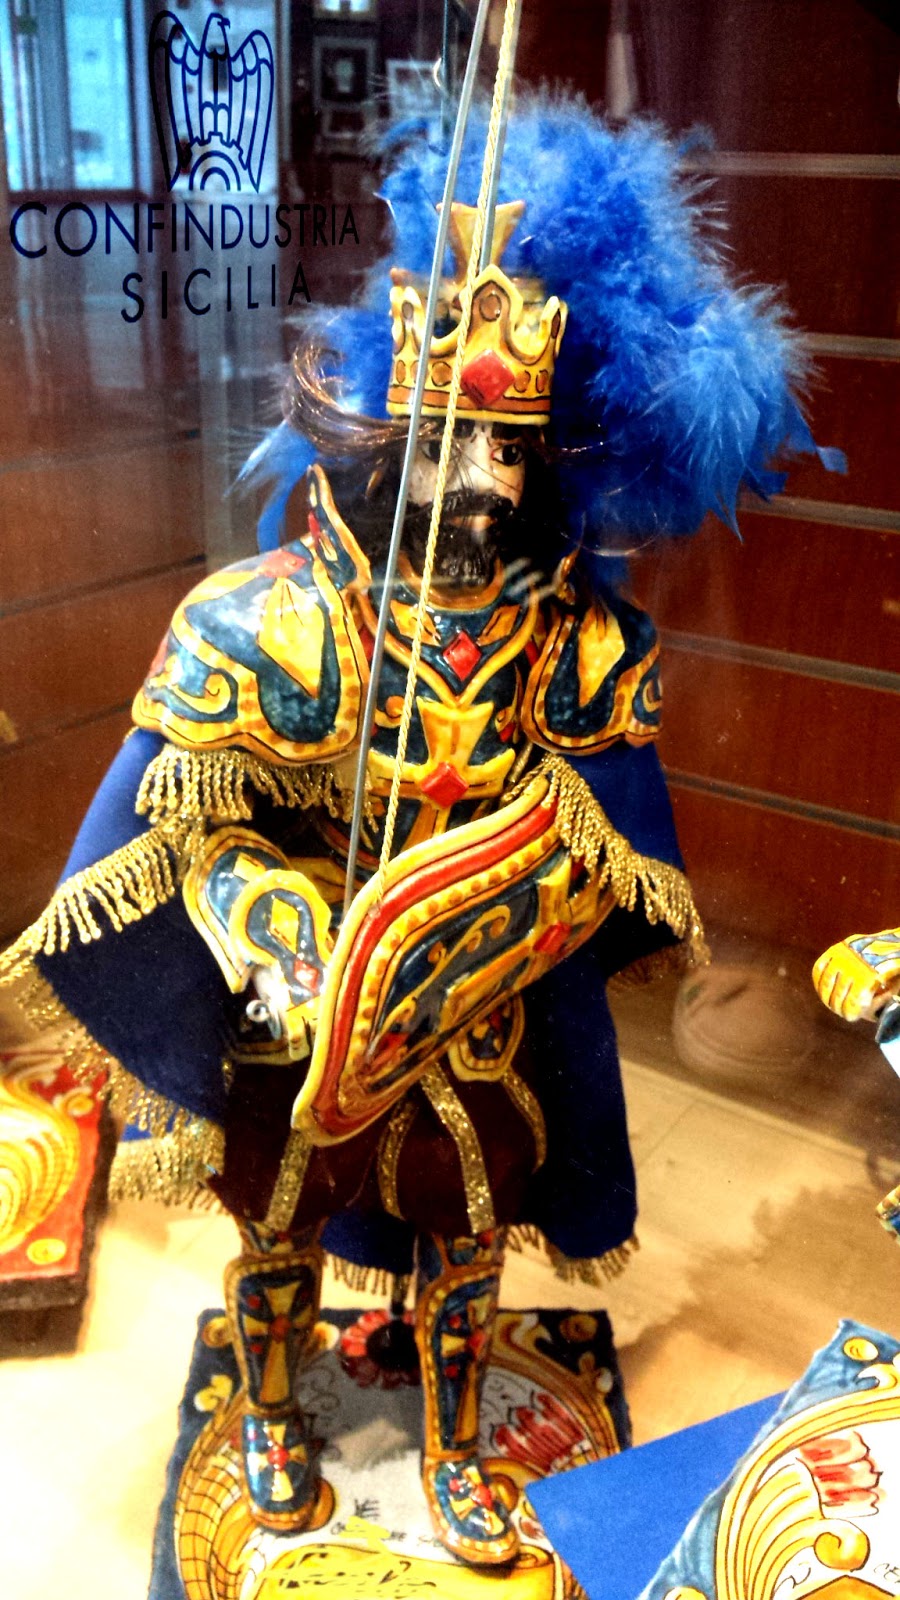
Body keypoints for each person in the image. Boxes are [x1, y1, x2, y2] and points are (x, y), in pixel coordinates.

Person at [1, 98, 826, 1567]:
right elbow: (189, 829)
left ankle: (454, 1437)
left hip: (481, 1010)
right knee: (275, 1228)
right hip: (301, 1004)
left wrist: (489, 921)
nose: (482, 483)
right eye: (453, 445)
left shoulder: (582, 643)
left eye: (509, 450)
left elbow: (604, 850)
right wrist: (284, 937)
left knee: (472, 1230)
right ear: (383, 442)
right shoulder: (262, 624)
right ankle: (271, 1410)